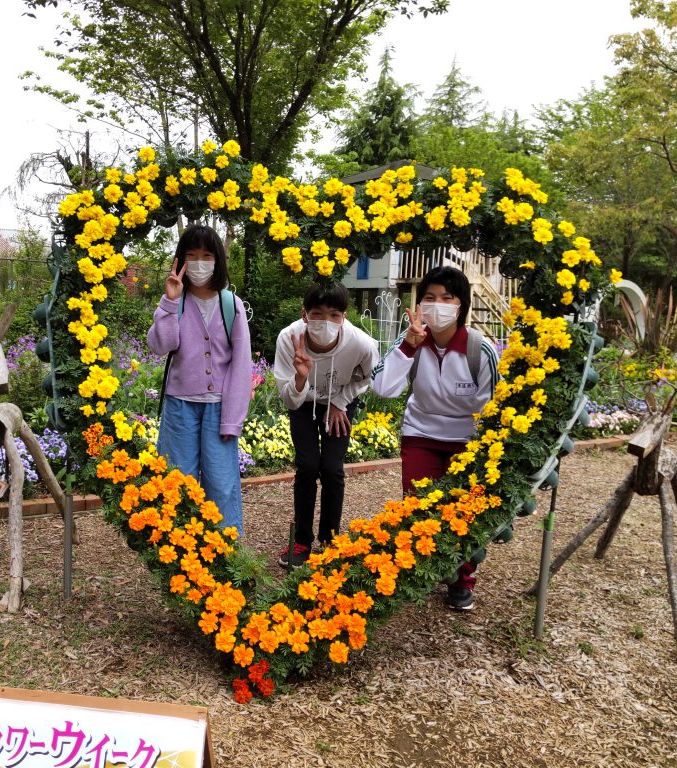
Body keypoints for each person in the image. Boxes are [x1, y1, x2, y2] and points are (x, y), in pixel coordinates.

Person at [371, 265, 499, 610]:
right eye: (429, 297)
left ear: (462, 305)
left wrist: (483, 450)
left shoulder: (479, 349)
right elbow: (382, 388)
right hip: (421, 434)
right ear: (418, 304)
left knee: (463, 511)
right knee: (417, 506)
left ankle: (462, 579)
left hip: (466, 440)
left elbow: (494, 406)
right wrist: (408, 348)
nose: (437, 304)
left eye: (447, 297)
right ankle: (421, 571)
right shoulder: (413, 342)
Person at [148, 223, 253, 536]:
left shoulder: (230, 304)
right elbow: (159, 345)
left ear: (218, 260)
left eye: (206, 255)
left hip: (218, 409)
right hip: (179, 406)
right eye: (191, 255)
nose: (199, 262)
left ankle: (225, 552)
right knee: (178, 481)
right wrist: (168, 301)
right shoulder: (175, 302)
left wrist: (233, 419)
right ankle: (179, 550)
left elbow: (241, 365)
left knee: (222, 484)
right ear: (180, 260)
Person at [274, 283, 379, 567]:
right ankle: (302, 540)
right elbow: (289, 398)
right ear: (305, 315)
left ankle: (331, 538)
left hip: (341, 402)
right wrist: (300, 377)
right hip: (302, 401)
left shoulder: (362, 343)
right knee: (308, 466)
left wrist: (340, 401)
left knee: (332, 468)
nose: (326, 321)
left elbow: (369, 377)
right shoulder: (289, 338)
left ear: (344, 316)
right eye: (318, 313)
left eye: (334, 314)